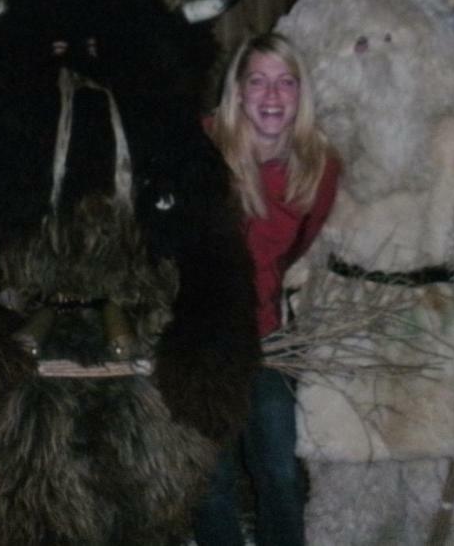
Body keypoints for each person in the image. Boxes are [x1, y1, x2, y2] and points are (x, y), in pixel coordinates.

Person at [194, 32, 341, 546]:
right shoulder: (200, 152)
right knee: (211, 484)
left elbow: (296, 248)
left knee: (280, 473)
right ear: (237, 91)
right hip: (201, 343)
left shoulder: (320, 169)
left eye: (285, 83)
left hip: (267, 342)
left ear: (302, 94)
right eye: (257, 81)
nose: (272, 96)